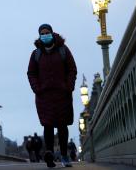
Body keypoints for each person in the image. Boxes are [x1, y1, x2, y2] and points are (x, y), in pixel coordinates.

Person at [27, 24, 77, 168]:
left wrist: (69, 86)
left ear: (52, 33)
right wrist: (37, 88)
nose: (45, 35)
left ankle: (64, 155)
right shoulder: (36, 54)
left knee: (62, 125)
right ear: (39, 36)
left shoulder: (63, 50)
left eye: (47, 32)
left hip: (62, 94)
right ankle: (49, 153)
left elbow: (72, 69)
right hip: (44, 96)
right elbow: (31, 73)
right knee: (47, 125)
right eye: (42, 33)